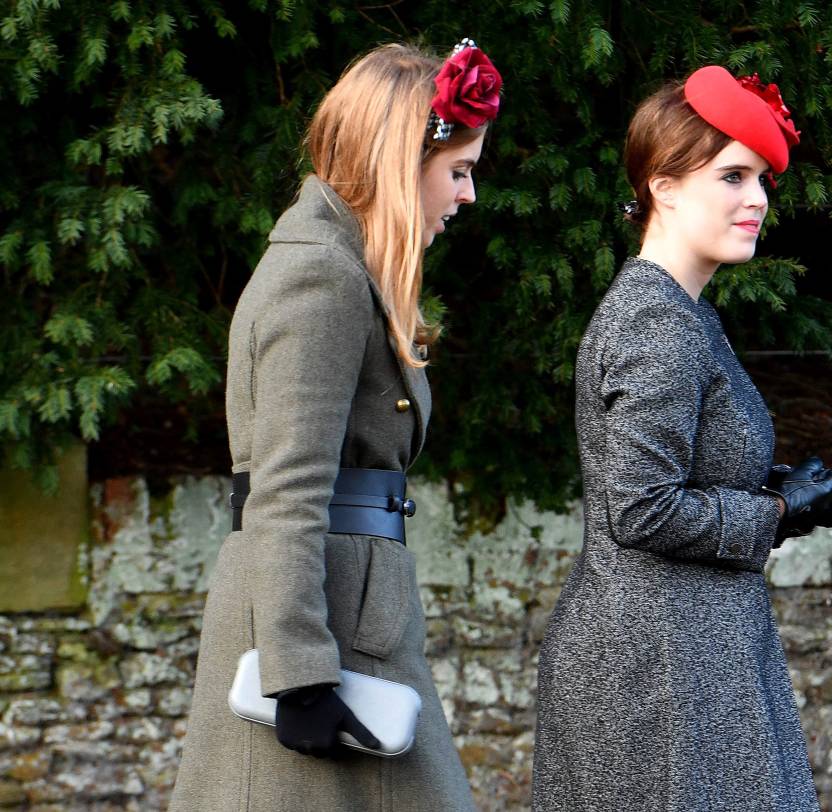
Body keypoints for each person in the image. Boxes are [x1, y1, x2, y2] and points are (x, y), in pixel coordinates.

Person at [170, 39, 502, 811]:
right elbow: (287, 485)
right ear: (401, 162)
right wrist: (299, 674)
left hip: (348, 627)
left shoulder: (342, 266)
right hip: (320, 641)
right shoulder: (322, 274)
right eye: (458, 170)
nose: (467, 194)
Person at [531, 66, 832, 811]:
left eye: (761, 180)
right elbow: (640, 508)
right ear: (665, 187)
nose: (758, 199)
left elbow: (676, 476)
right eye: (733, 176)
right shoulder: (658, 322)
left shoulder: (681, 312)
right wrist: (778, 513)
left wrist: (775, 490)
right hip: (657, 675)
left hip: (684, 657)